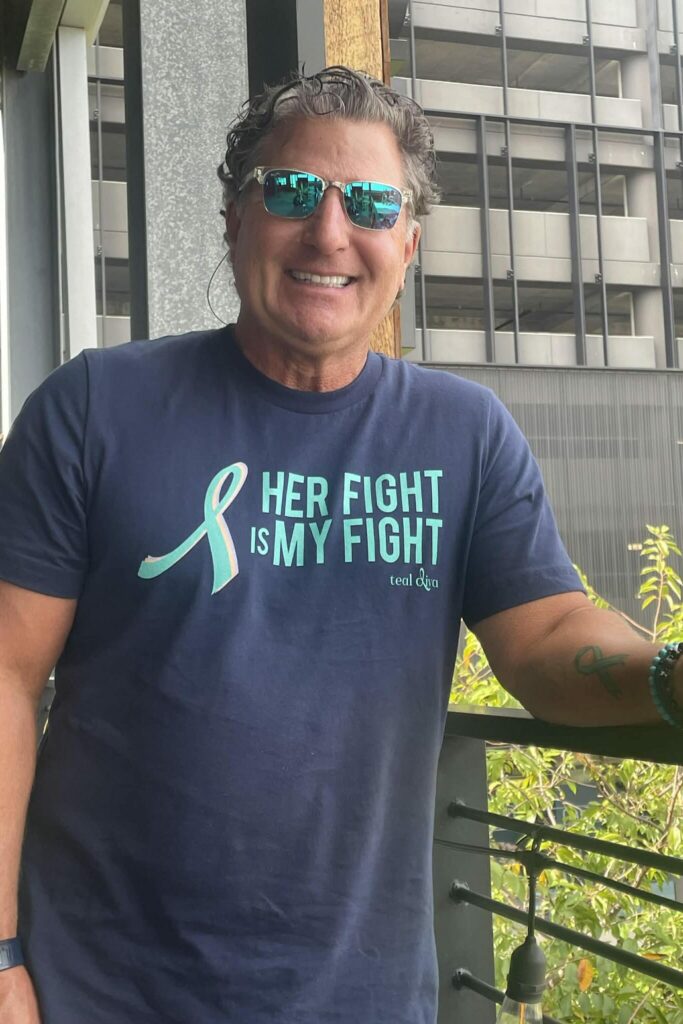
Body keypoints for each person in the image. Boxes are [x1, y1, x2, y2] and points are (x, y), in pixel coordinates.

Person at [0, 66, 680, 1024]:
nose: (328, 232)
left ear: (407, 241)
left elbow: (545, 634)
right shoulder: (93, 408)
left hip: (358, 995)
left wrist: (667, 676)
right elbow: (6, 675)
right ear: (235, 219)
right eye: (290, 192)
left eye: (369, 203)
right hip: (96, 990)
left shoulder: (463, 434)